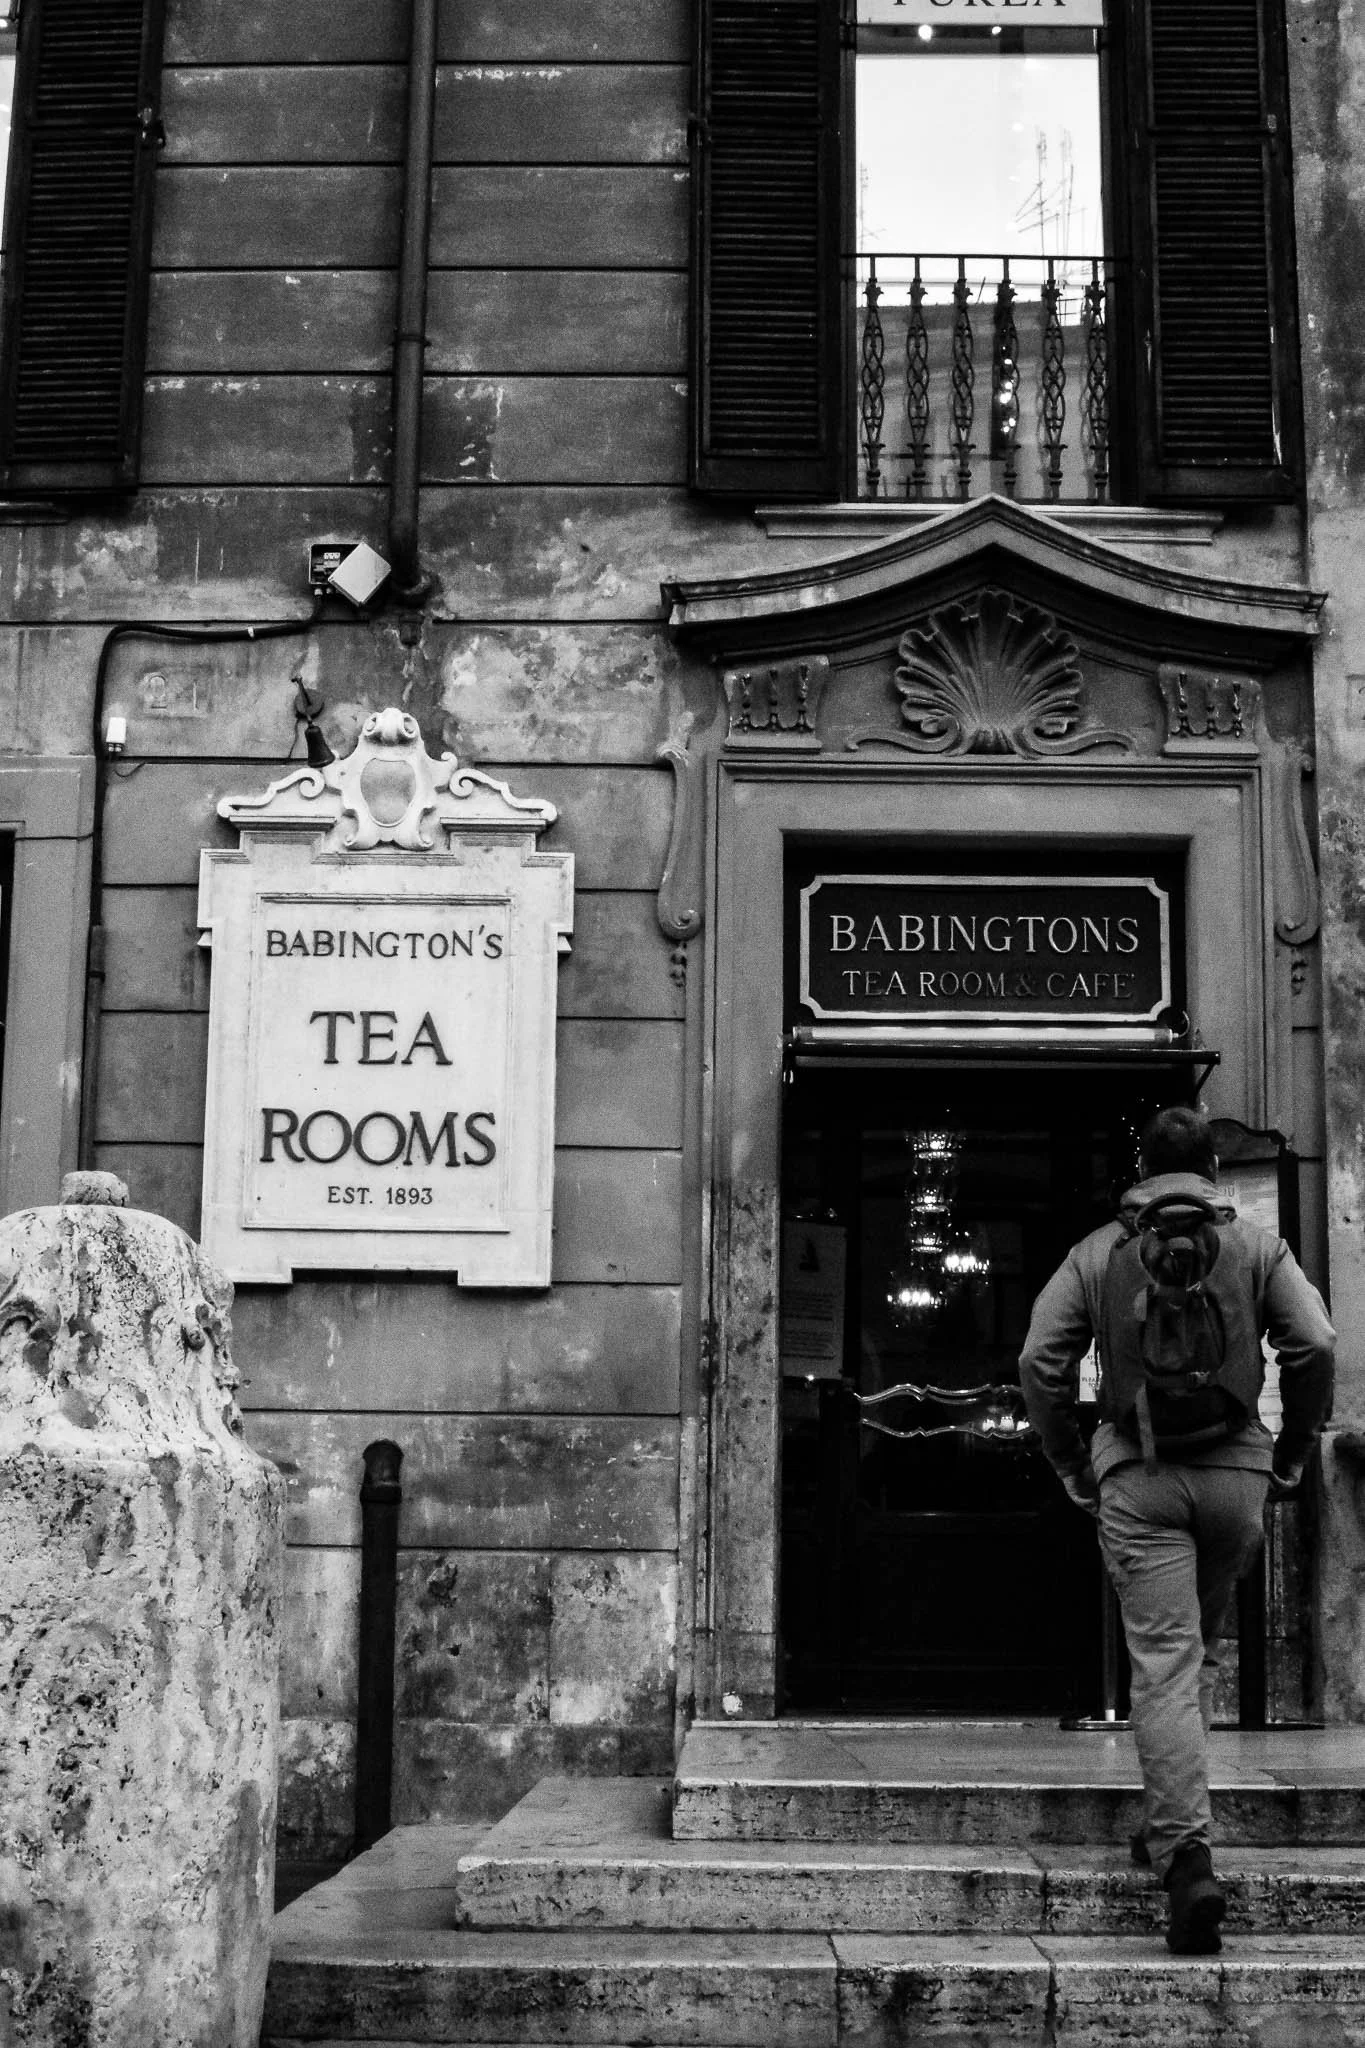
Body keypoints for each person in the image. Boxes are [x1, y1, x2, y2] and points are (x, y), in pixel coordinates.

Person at [1019, 1106, 1335, 1955]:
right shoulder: (1256, 1246)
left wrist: (1070, 1462)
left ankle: (1187, 1856)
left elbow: (1037, 1363)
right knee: (1187, 1652)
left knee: (1161, 1663)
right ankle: (1167, 1829)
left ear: (1143, 1169)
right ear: (1211, 1170)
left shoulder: (1098, 1251)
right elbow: (1312, 1342)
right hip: (1235, 1477)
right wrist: (1295, 1449)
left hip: (1141, 1477)